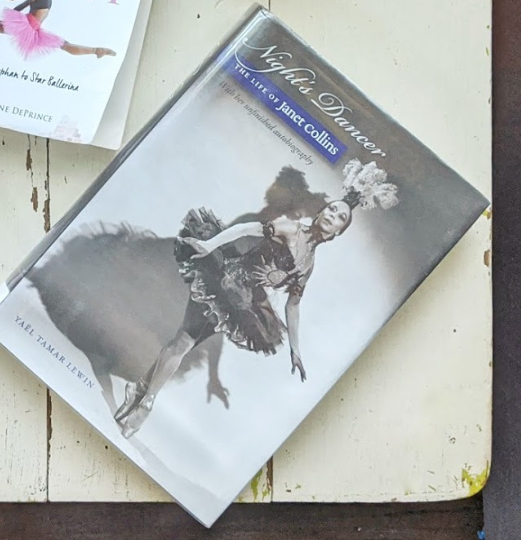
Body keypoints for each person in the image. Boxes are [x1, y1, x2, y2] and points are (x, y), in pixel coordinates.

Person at [113, 161, 398, 438]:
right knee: (182, 343)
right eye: (332, 209)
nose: (332, 215)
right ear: (323, 210)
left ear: (339, 230)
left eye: (340, 217)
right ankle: (146, 403)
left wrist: (296, 350)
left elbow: (293, 305)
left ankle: (138, 390)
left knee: (183, 345)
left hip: (241, 307)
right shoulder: (291, 228)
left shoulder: (309, 263)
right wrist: (210, 245)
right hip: (224, 281)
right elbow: (246, 229)